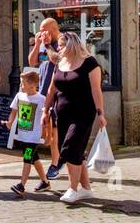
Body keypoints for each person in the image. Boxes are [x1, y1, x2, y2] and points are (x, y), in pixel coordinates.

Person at [43, 31, 105, 204]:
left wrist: (101, 113)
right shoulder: (60, 63)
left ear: (71, 45)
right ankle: (86, 189)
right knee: (75, 150)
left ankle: (73, 189)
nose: (59, 49)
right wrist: (45, 110)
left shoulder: (90, 63)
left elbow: (96, 90)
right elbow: (51, 90)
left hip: (84, 112)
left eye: (61, 45)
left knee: (70, 148)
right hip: (62, 113)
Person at [27, 18, 63, 180]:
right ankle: (40, 172)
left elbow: (55, 60)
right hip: (41, 93)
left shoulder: (61, 43)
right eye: (40, 31)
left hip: (55, 94)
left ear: (54, 30)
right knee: (38, 133)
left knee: (53, 132)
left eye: (45, 31)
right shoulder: (43, 43)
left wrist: (47, 44)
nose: (42, 34)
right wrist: (37, 44)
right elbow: (32, 62)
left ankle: (55, 164)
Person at [7, 69, 52, 197]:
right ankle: (45, 181)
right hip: (23, 135)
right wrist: (9, 123)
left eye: (23, 83)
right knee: (34, 158)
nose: (21, 86)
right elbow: (14, 111)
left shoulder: (41, 99)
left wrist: (48, 135)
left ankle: (21, 185)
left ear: (32, 85)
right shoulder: (19, 96)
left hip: (33, 137)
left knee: (27, 158)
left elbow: (47, 120)